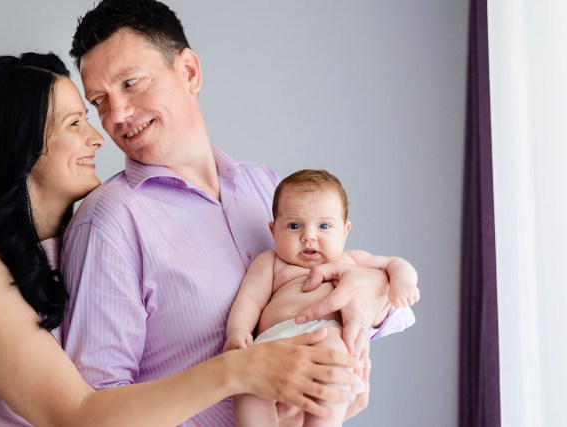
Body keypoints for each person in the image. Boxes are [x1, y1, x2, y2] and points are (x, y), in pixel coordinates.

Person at [0, 52, 362, 427]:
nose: (98, 137)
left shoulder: (63, 248)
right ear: (17, 142)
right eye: (76, 122)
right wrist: (241, 370)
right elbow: (75, 415)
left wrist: (374, 282)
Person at [62, 1, 417, 425]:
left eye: (131, 83)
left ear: (189, 71)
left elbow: (362, 295)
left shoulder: (264, 185)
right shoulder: (108, 222)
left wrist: (375, 288)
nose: (117, 115)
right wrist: (236, 372)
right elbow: (95, 411)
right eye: (100, 101)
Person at [224, 169, 420, 426]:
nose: (309, 236)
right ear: (273, 230)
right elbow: (250, 299)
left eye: (324, 226)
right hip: (271, 344)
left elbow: (395, 263)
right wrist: (238, 331)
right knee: (246, 386)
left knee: (333, 368)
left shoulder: (351, 259)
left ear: (345, 231)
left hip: (325, 335)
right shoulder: (270, 262)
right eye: (294, 226)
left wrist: (404, 282)